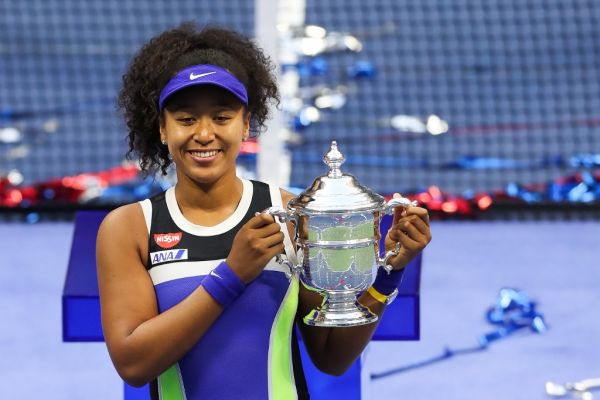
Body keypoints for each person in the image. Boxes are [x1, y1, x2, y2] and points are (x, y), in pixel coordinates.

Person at [96, 22, 432, 400]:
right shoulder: (130, 228)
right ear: (161, 128)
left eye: (222, 117)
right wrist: (232, 275)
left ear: (246, 126)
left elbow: (331, 356)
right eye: (186, 119)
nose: (204, 134)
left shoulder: (292, 214)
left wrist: (388, 274)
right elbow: (134, 364)